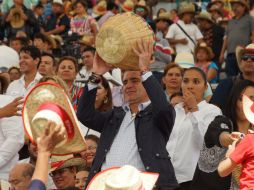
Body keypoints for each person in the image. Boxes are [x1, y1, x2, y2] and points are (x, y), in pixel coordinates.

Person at [77, 40, 179, 189]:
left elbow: (164, 108)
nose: (129, 85)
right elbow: (84, 114)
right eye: (125, 82)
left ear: (146, 82)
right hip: (106, 185)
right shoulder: (114, 116)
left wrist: (144, 70)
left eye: (135, 80)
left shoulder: (157, 116)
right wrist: (96, 75)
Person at [191, 80, 254, 190]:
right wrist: (232, 139)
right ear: (233, 101)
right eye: (241, 99)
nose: (247, 104)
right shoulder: (222, 121)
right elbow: (220, 135)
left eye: (252, 98)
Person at [166, 67, 221, 190]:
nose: (190, 86)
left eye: (196, 82)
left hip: (192, 179)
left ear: (205, 87)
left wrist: (194, 110)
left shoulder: (212, 111)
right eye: (186, 81)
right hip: (167, 177)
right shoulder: (175, 110)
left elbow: (205, 144)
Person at [211, 43, 254, 113]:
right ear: (241, 62)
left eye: (253, 58)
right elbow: (213, 110)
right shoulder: (228, 83)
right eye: (245, 57)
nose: (249, 60)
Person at [219, 0, 254, 76]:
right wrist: (222, 54)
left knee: (245, 75)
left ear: (244, 7)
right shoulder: (230, 21)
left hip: (244, 53)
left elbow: (253, 34)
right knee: (230, 77)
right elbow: (226, 38)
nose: (234, 8)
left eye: (237, 6)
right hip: (230, 53)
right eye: (233, 6)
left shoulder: (250, 19)